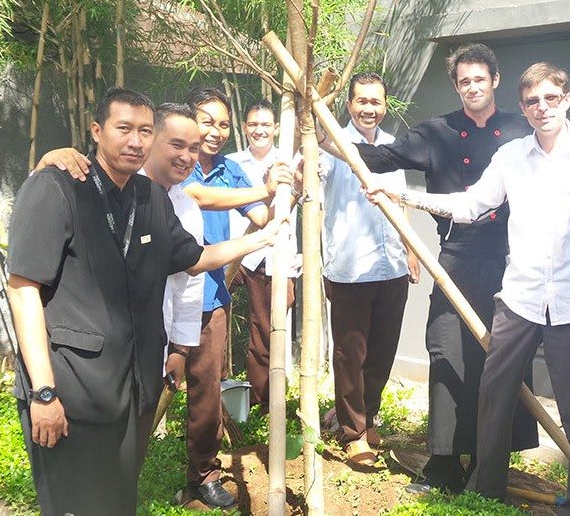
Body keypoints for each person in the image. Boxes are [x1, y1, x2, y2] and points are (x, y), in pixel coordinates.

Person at [5, 88, 279, 516]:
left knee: (118, 502)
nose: (135, 141)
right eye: (124, 129)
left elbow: (194, 259)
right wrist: (43, 393)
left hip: (132, 390)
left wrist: (261, 238)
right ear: (97, 131)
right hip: (71, 389)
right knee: (72, 506)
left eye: (144, 131)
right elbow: (23, 289)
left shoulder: (150, 198)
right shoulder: (58, 187)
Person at [369, 62, 570, 512]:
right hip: (519, 298)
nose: (542, 108)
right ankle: (486, 491)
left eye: (551, 98)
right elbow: (471, 205)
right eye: (533, 101)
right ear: (522, 107)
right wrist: (402, 196)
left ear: (566, 99)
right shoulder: (511, 156)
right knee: (495, 393)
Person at [325, 43, 534, 492]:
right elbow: (379, 158)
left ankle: (488, 462)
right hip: (455, 258)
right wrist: (326, 139)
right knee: (445, 352)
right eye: (464, 81)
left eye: (480, 79)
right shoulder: (437, 132)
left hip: (512, 260)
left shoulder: (522, 130)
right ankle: (443, 464)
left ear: (495, 80)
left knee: (500, 358)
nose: (472, 87)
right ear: (456, 86)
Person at [179, 86, 293, 509]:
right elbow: (199, 197)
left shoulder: (229, 168)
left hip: (209, 294)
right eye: (207, 121)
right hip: (163, 291)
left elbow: (262, 216)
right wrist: (262, 190)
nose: (216, 131)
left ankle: (203, 474)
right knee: (148, 382)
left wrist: (286, 192)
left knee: (206, 388)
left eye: (224, 124)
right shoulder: (178, 161)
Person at [320, 73, 420, 465]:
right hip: (350, 268)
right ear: (349, 104)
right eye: (361, 101)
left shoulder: (394, 147)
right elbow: (307, 171)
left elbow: (401, 202)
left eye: (376, 102)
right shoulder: (331, 144)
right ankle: (352, 432)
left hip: (391, 264)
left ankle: (369, 416)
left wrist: (411, 249)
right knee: (351, 354)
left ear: (385, 105)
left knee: (382, 351)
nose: (369, 109)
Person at [226, 99, 298, 411]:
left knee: (266, 329)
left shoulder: (290, 162)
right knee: (211, 320)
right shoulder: (230, 162)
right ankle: (216, 390)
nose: (259, 130)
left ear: (277, 128)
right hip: (233, 251)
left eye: (266, 124)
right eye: (253, 124)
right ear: (244, 127)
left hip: (273, 253)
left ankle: (264, 400)